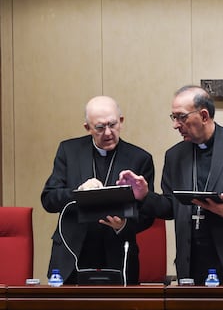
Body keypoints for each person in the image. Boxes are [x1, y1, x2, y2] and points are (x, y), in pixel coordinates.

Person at [117, 85, 223, 285]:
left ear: (204, 115)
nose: (176, 125)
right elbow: (170, 207)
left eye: (181, 117)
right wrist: (144, 195)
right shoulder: (174, 155)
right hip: (194, 261)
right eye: (173, 117)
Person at [41, 95, 155, 285]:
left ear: (121, 121)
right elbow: (49, 199)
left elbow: (147, 212)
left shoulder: (140, 158)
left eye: (113, 124)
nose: (108, 133)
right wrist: (78, 192)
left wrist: (123, 225)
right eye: (100, 128)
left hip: (118, 254)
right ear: (87, 127)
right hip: (71, 252)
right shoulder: (69, 151)